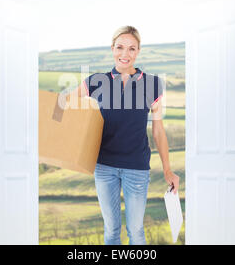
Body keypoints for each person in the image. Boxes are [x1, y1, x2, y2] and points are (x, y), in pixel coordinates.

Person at [70, 25, 179, 245]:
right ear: (112, 49)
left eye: (131, 48)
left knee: (135, 230)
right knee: (111, 230)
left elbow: (158, 130)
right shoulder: (97, 81)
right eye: (120, 47)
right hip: (104, 166)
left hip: (136, 167)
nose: (125, 54)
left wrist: (167, 169)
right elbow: (65, 105)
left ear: (138, 51)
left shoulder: (152, 84)